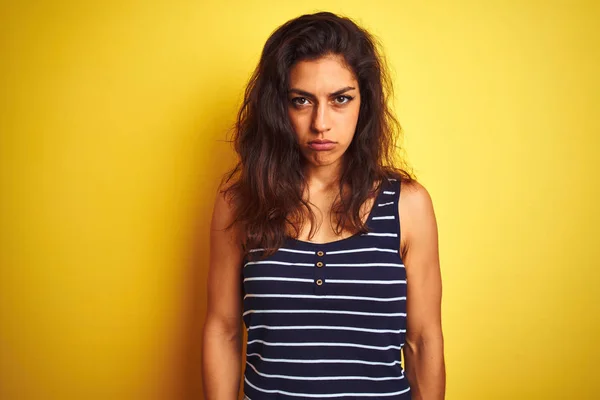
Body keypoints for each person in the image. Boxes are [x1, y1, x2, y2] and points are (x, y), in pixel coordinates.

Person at [202, 11, 445, 400]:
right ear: (278, 107)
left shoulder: (408, 205)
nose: (321, 123)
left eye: (340, 100)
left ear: (364, 104)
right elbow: (223, 330)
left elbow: (423, 340)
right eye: (301, 101)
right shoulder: (239, 203)